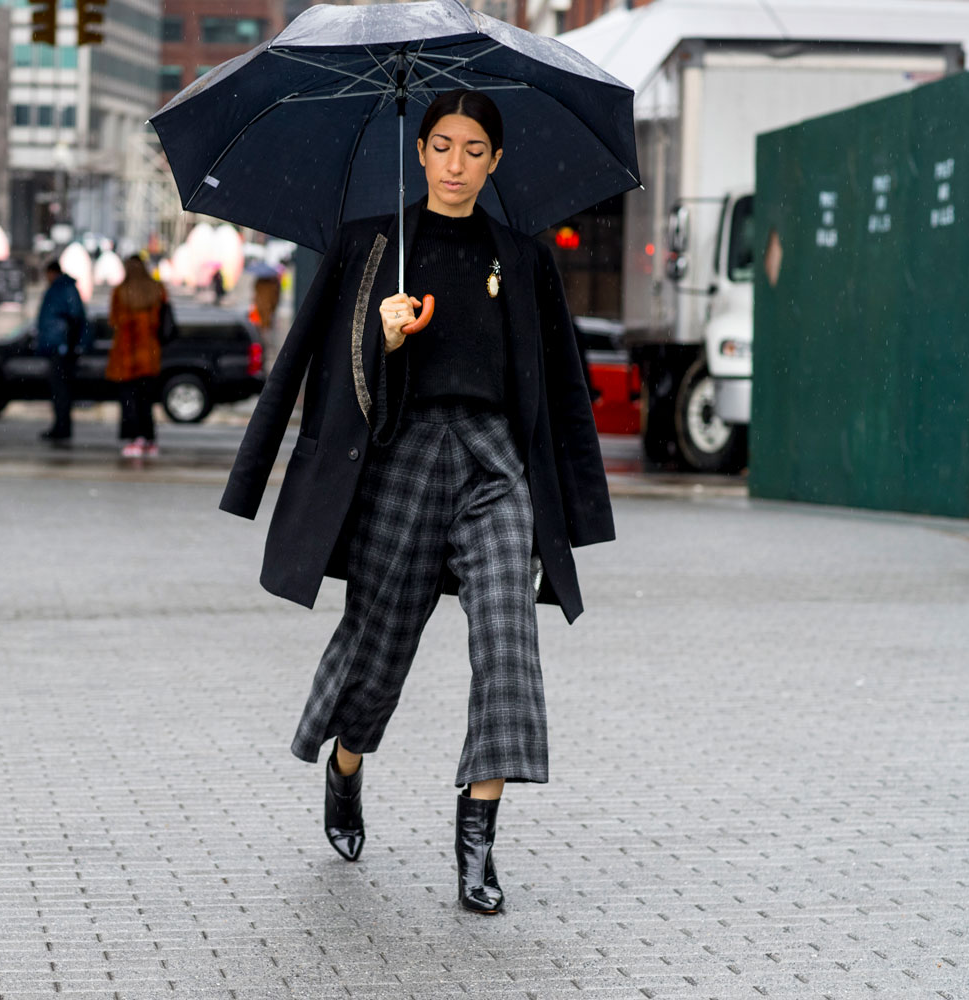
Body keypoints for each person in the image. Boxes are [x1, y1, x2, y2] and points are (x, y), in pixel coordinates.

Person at [219, 90, 614, 915]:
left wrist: (576, 507)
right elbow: (315, 367)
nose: (458, 164)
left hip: (495, 465)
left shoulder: (523, 254)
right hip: (403, 459)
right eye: (442, 146)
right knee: (378, 647)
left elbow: (561, 386)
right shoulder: (373, 246)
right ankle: (347, 765)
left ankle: (476, 840)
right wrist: (383, 338)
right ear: (421, 151)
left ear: (495, 161)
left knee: (508, 639)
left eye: (475, 149)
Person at [106, 255, 167, 458]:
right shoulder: (156, 290)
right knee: (146, 400)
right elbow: (160, 322)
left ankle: (133, 438)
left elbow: (114, 320)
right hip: (149, 355)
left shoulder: (120, 292)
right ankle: (148, 439)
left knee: (129, 399)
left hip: (126, 354)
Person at [35, 259, 88, 441]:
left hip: (61, 348)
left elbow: (75, 318)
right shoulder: (63, 289)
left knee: (61, 390)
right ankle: (61, 426)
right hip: (59, 346)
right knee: (59, 390)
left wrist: (69, 345)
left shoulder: (62, 289)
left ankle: (62, 427)